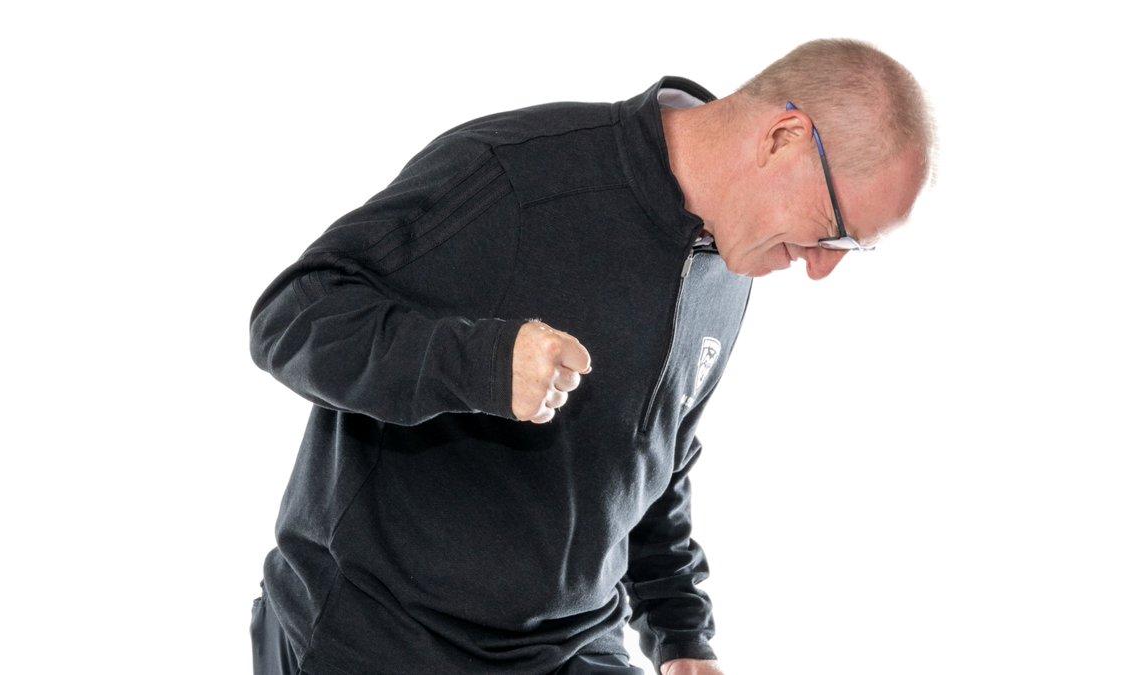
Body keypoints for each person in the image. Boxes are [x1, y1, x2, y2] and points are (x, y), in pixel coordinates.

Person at [248, 38, 934, 675]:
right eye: (833, 233)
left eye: (851, 249)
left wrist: (680, 633)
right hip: (379, 635)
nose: (821, 268)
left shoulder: (731, 260)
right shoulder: (516, 176)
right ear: (784, 139)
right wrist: (480, 362)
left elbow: (652, 456)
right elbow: (290, 316)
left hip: (573, 645)